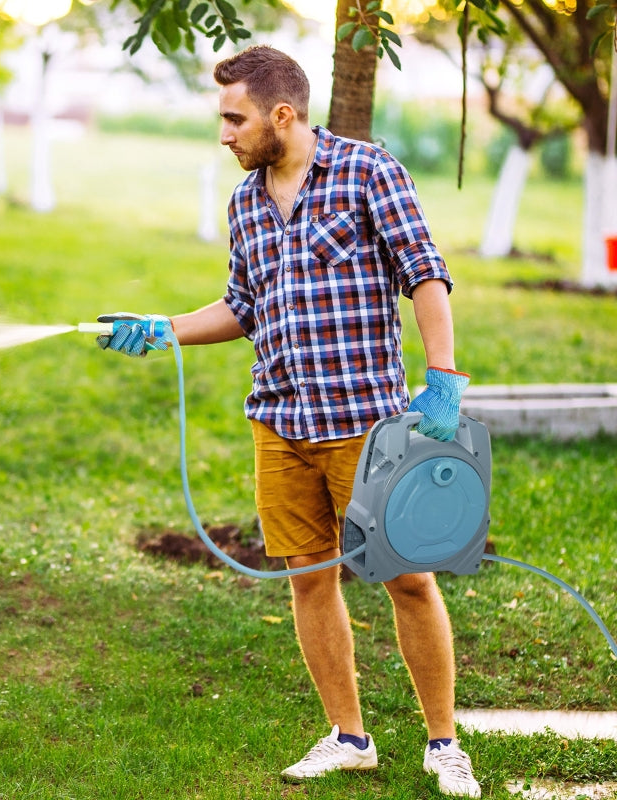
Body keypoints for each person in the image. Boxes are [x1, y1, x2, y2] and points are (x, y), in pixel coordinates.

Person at [96, 45, 480, 798]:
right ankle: (350, 737)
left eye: (234, 118)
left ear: (282, 115)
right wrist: (163, 327)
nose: (225, 134)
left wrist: (442, 378)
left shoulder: (369, 173)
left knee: (406, 581)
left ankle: (444, 744)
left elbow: (425, 273)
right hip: (279, 420)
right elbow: (244, 304)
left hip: (362, 423)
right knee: (308, 580)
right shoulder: (245, 201)